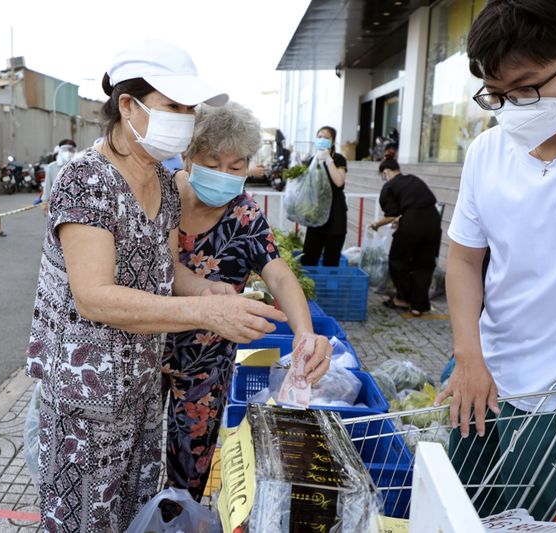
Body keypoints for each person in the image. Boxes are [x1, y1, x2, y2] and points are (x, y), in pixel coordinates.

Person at [25, 38, 288, 533]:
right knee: (84, 519)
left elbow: (167, 273)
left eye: (190, 109)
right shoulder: (87, 179)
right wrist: (204, 315)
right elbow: (93, 296)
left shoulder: (164, 184)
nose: (186, 119)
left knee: (133, 514)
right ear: (129, 106)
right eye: (174, 106)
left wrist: (207, 290)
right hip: (89, 395)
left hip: (143, 386)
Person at [431, 0, 556, 520]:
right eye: (497, 94)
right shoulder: (486, 153)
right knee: (464, 512)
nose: (513, 105)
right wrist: (468, 353)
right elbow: (467, 260)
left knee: (533, 521)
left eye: (527, 88)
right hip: (481, 374)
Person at [163, 101, 333, 501]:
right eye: (213, 161)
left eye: (237, 166)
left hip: (205, 363)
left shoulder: (246, 216)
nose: (225, 174)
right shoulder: (163, 194)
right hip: (144, 345)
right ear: (188, 158)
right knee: (134, 455)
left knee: (189, 467)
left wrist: (305, 335)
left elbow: (278, 274)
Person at [369, 150, 441, 317]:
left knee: (397, 259)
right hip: (433, 221)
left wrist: (376, 224)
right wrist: (403, 219)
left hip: (412, 225)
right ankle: (419, 306)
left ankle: (404, 298)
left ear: (385, 172)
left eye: (382, 175)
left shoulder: (390, 185)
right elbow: (418, 205)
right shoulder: (414, 179)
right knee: (424, 264)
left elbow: (391, 215)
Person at [301, 127, 348, 267]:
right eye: (319, 136)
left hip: (335, 216)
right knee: (308, 258)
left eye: (326, 137)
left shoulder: (338, 159)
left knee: (331, 261)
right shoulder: (312, 160)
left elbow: (339, 182)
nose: (322, 139)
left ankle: (330, 288)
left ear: (332, 142)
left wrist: (327, 158)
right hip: (316, 216)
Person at [34, 139, 76, 214]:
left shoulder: (80, 167)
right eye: (65, 150)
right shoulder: (52, 167)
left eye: (70, 150)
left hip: (75, 206)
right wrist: (44, 202)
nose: (68, 153)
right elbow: (47, 186)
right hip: (57, 207)